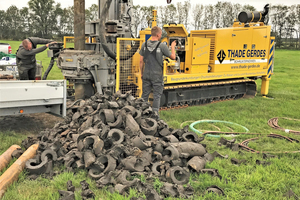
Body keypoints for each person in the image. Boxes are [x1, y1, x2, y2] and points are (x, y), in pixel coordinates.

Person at [139, 26, 176, 118]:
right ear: (158, 35)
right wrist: (172, 47)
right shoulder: (162, 46)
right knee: (157, 96)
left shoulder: (144, 44)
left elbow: (140, 61)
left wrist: (141, 73)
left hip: (146, 74)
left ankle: (142, 115)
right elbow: (173, 57)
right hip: (157, 76)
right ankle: (155, 116)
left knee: (145, 95)